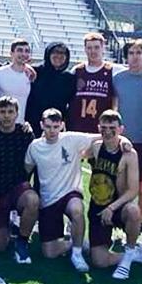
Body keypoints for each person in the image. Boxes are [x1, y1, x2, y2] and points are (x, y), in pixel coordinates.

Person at [25, 109, 107, 272]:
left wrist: (124, 141)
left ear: (62, 125)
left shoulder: (71, 139)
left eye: (56, 126)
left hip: (71, 193)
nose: (52, 131)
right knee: (49, 253)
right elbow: (26, 171)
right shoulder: (34, 147)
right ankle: (73, 242)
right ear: (41, 125)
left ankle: (77, 254)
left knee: (77, 209)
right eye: (48, 127)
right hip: (48, 200)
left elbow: (102, 136)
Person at [86, 110, 142, 280]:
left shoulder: (129, 155)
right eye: (103, 127)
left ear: (121, 129)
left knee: (134, 211)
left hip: (118, 206)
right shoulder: (96, 147)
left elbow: (133, 190)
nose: (107, 131)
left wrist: (112, 208)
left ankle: (128, 255)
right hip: (98, 206)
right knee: (99, 262)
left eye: (112, 127)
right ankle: (137, 256)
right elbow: (79, 152)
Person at [0, 96, 39, 264]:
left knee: (32, 200)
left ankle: (22, 242)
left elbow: (33, 162)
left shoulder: (25, 134)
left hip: (17, 188)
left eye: (10, 112)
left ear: (17, 113)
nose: (6, 116)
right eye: (2, 112)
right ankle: (7, 226)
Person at [113, 39, 142, 225]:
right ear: (126, 56)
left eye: (139, 53)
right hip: (122, 140)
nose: (135, 56)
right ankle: (120, 222)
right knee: (120, 184)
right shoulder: (118, 79)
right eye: (131, 53)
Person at [68, 32, 116, 133]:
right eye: (89, 48)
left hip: (101, 129)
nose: (93, 51)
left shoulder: (112, 70)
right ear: (85, 49)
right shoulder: (77, 71)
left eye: (96, 47)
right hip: (77, 127)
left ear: (103, 48)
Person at [24, 42, 75, 136]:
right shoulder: (35, 71)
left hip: (54, 127)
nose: (58, 56)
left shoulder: (69, 78)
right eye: (55, 52)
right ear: (48, 54)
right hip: (31, 124)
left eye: (62, 53)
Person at [0, 39, 32, 124]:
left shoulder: (31, 75)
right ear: (11, 53)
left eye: (26, 51)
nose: (23, 54)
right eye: (19, 50)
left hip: (20, 128)